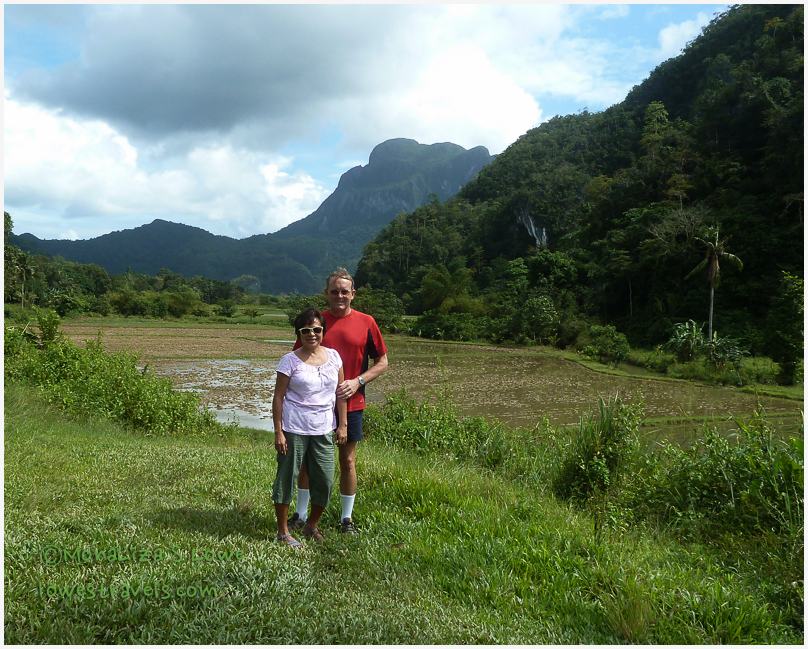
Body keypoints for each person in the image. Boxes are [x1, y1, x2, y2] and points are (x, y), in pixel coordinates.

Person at [288, 268, 389, 534]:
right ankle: (300, 514)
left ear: (353, 294)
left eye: (345, 291)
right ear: (327, 294)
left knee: (348, 461)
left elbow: (382, 362)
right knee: (308, 462)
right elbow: (296, 359)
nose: (340, 296)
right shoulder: (317, 322)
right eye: (335, 291)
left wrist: (359, 381)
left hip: (352, 403)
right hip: (316, 406)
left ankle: (346, 519)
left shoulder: (367, 322)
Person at [271, 308, 347, 547]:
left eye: (316, 329)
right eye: (306, 330)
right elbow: (278, 397)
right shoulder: (290, 360)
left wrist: (342, 424)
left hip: (324, 428)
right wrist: (278, 431)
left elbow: (341, 393)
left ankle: (311, 524)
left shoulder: (334, 358)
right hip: (294, 428)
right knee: (286, 477)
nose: (312, 334)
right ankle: (283, 531)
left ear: (323, 331)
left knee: (324, 479)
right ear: (298, 333)